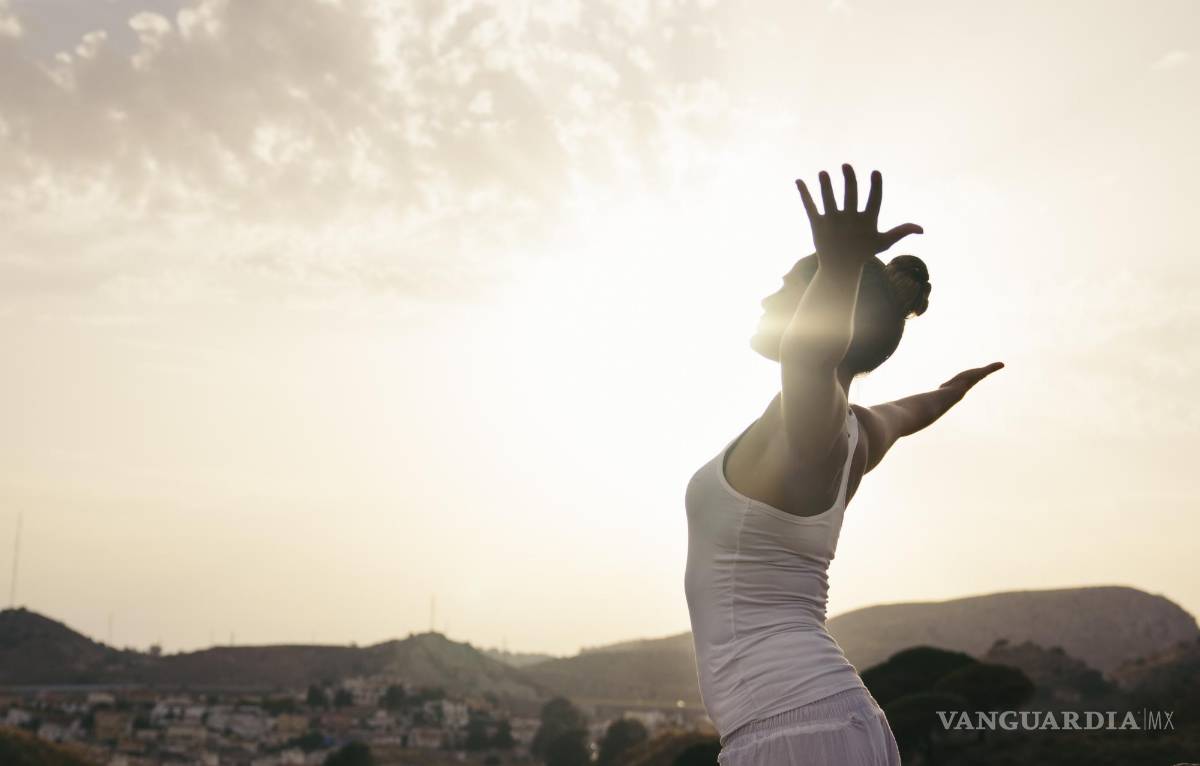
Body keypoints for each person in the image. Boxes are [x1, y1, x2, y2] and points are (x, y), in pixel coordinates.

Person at [683, 164, 1004, 764]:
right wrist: (950, 391)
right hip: (811, 720)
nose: (764, 298)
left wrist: (838, 266)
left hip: (795, 727)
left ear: (823, 313)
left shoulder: (816, 429)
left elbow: (808, 356)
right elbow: (911, 412)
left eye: (784, 288)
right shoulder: (855, 432)